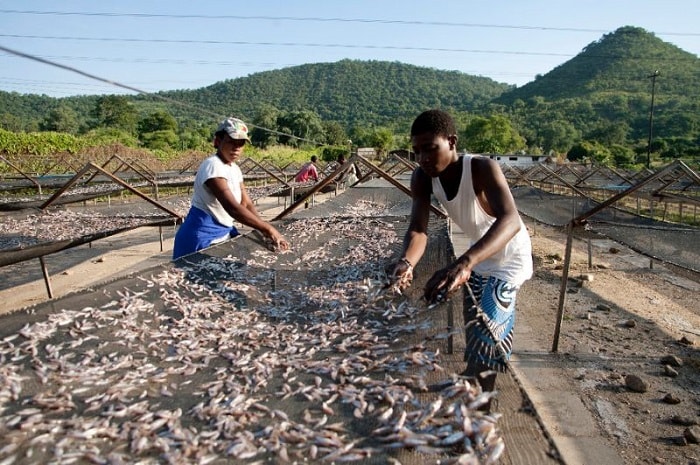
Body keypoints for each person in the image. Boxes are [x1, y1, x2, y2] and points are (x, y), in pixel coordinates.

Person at [389, 109, 533, 403]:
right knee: (473, 326)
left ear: (451, 141)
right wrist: (407, 263)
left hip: (507, 257)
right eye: (417, 152)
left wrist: (464, 262)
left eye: (430, 148)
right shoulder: (423, 178)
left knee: (488, 331)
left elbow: (511, 220)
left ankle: (482, 412)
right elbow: (418, 230)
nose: (423, 158)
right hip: (478, 254)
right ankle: (472, 382)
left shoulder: (481, 168)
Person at [173, 117, 289, 260]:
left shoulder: (235, 169)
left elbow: (246, 203)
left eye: (241, 143)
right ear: (218, 141)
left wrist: (263, 229)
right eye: (231, 142)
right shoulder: (213, 165)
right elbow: (232, 207)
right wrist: (267, 228)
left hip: (222, 232)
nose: (236, 148)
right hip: (201, 235)